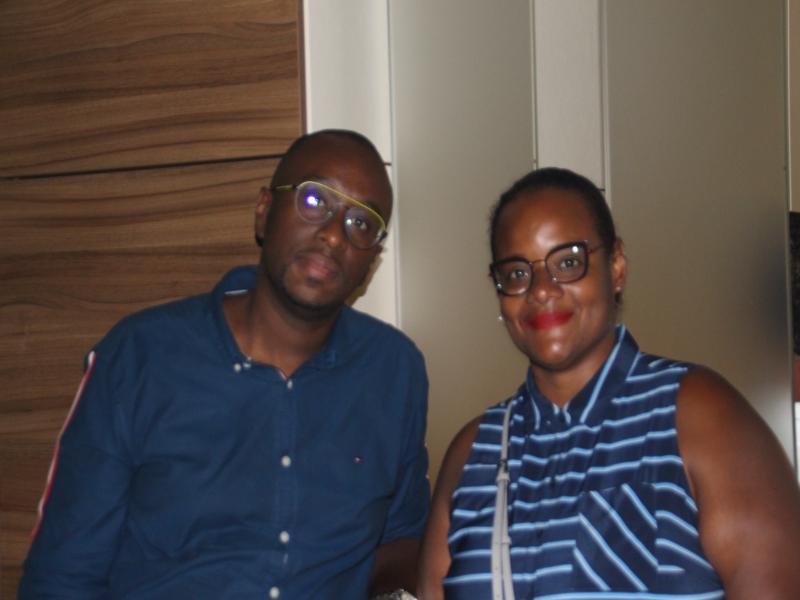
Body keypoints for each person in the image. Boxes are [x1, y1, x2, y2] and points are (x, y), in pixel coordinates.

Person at [19, 130, 430, 599]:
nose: (335, 234)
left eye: (362, 223)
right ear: (264, 211)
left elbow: (402, 540)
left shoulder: (393, 372)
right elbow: (63, 574)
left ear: (371, 262)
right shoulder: (140, 357)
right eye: (314, 200)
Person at [417, 167, 800, 599]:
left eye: (567, 262)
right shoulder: (473, 452)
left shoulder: (697, 416)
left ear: (616, 266)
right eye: (518, 273)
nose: (541, 290)